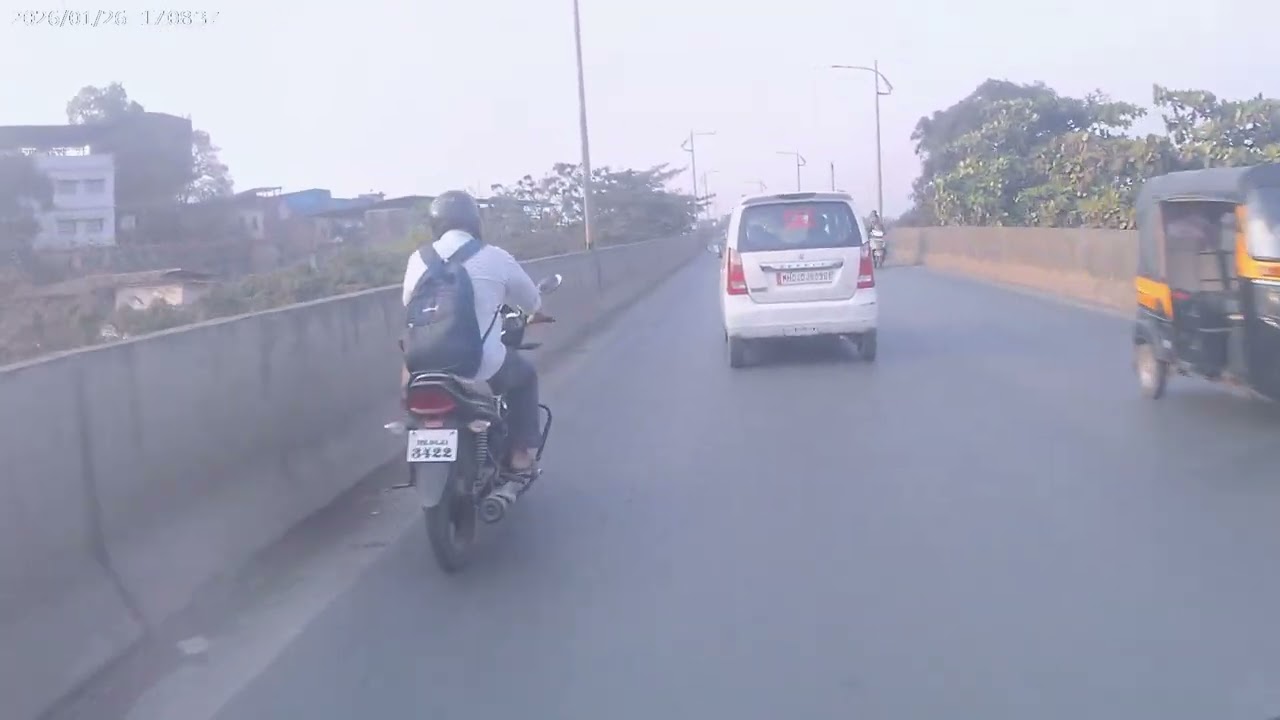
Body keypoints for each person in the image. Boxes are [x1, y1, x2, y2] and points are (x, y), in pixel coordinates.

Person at [401, 190, 548, 478]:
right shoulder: (496, 257)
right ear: (474, 221)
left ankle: (412, 425)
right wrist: (534, 313)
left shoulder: (418, 258)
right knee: (525, 376)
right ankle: (520, 454)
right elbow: (532, 301)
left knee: (408, 374)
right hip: (477, 364)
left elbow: (409, 303)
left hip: (423, 363)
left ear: (435, 224)